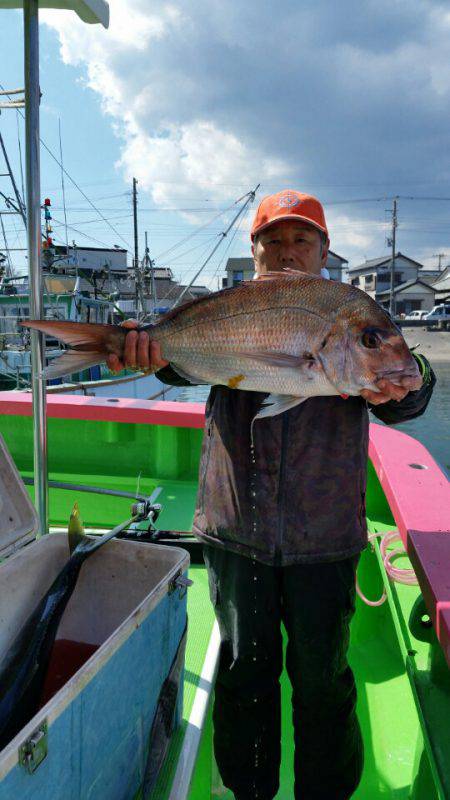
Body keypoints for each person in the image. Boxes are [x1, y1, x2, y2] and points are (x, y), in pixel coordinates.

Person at [107, 190, 435, 800]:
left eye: (302, 240)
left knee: (324, 678)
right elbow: (179, 361)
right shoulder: (231, 308)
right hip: (236, 528)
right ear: (254, 251)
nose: (288, 251)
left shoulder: (351, 316)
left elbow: (407, 394)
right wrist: (143, 348)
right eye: (273, 240)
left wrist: (411, 380)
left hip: (325, 539)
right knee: (243, 674)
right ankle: (248, 790)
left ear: (324, 251)